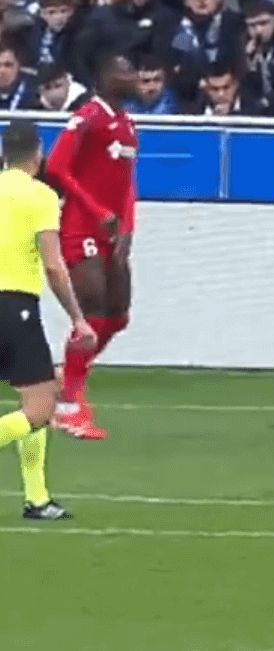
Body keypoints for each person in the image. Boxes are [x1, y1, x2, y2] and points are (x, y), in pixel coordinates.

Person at [0, 120, 95, 520]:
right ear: (37, 154)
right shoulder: (40, 196)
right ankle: (36, 499)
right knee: (39, 408)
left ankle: (37, 498)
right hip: (14, 305)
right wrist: (78, 318)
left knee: (35, 399)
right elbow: (54, 265)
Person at [43, 52, 138, 441]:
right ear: (104, 77)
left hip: (112, 232)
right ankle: (68, 406)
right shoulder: (87, 118)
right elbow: (56, 167)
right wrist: (97, 210)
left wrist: (128, 228)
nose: (133, 76)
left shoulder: (126, 124)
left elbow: (127, 183)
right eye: (124, 71)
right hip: (81, 227)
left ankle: (66, 378)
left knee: (118, 315)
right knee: (94, 309)